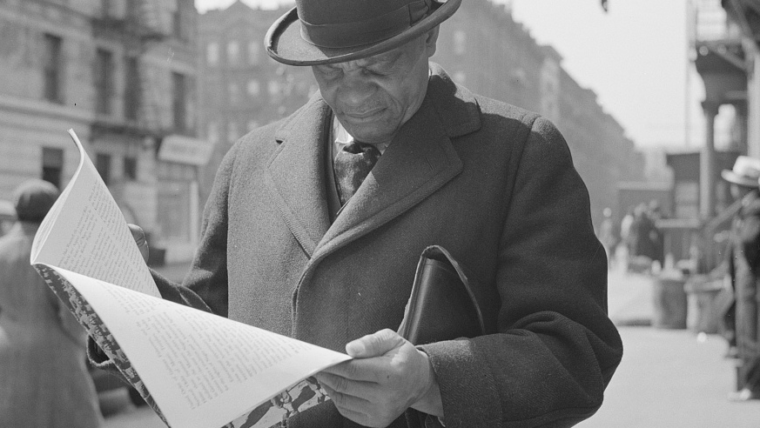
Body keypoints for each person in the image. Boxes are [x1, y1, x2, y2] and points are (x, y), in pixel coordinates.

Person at [98, 0, 623, 426]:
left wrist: (432, 379)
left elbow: (576, 350)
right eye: (329, 70)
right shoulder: (248, 162)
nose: (351, 92)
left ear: (429, 37)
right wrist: (123, 298)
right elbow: (207, 334)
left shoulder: (520, 153)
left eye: (377, 66)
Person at [0, 179, 103, 427]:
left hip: (8, 349)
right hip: (56, 354)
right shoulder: (54, 250)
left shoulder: (2, 248)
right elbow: (71, 317)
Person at [720, 156, 760, 401]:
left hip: (750, 282)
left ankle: (753, 386)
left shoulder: (753, 209)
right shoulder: (749, 207)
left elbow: (747, 240)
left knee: (750, 334)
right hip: (745, 281)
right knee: (746, 331)